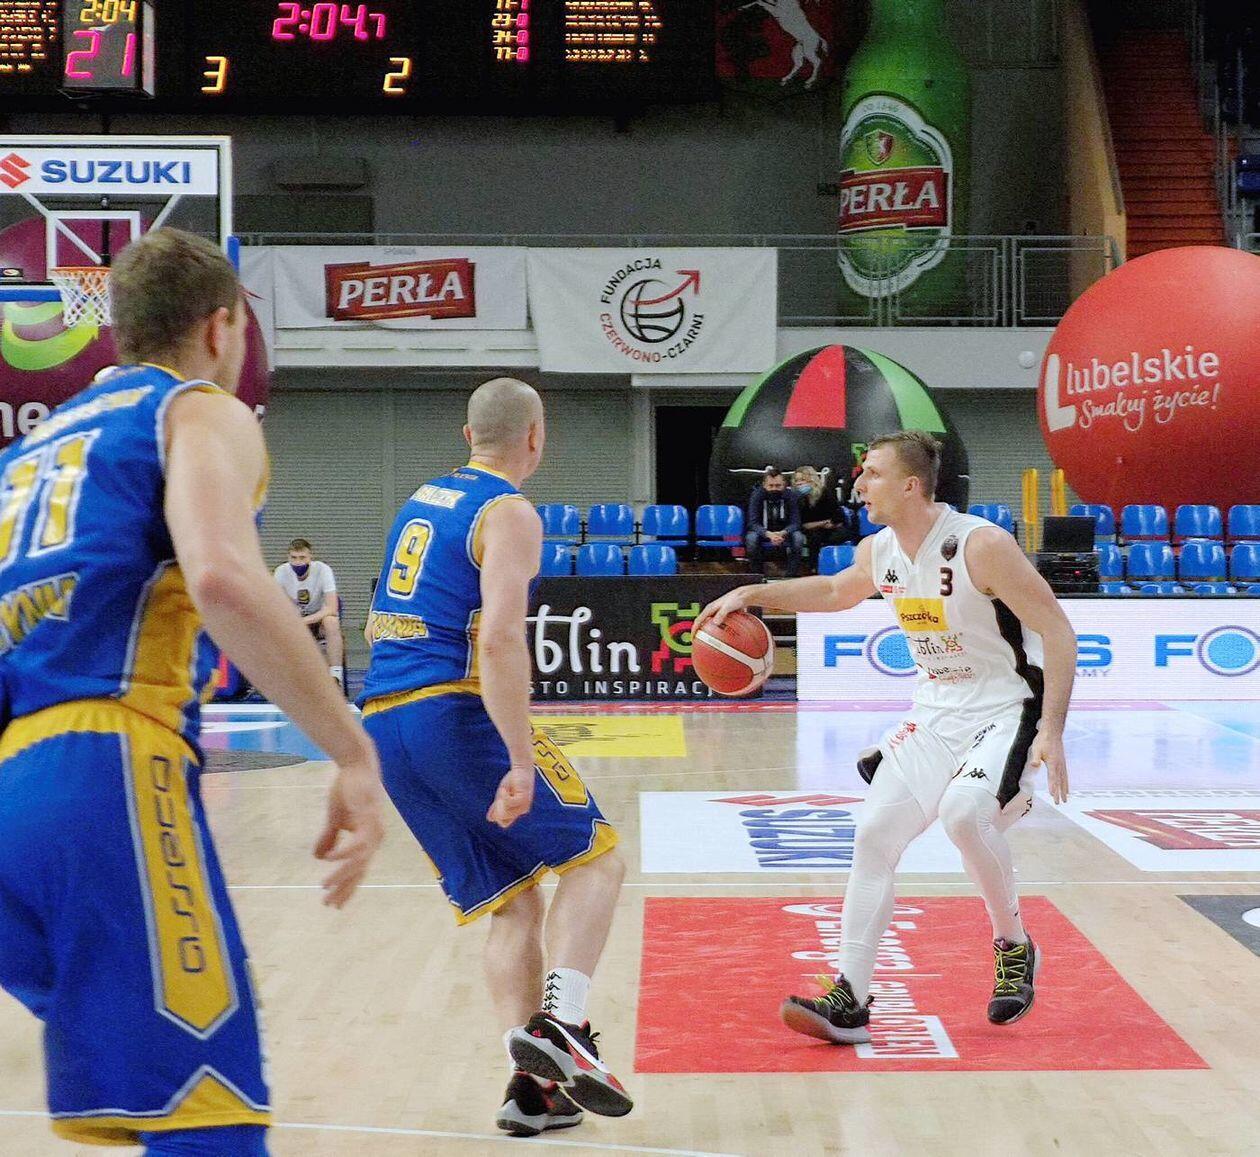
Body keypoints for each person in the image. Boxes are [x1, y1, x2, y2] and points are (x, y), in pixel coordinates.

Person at [0, 228, 386, 1155]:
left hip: (13, 788)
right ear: (221, 328)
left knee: (154, 1099)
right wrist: (351, 748)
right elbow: (220, 576)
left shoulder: (29, 453)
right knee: (210, 1115)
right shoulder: (197, 410)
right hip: (107, 765)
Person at [700, 430, 1075, 1040]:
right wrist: (753, 592)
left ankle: (1013, 944)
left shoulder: (980, 545)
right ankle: (850, 997)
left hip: (1007, 708)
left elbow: (1057, 630)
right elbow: (833, 590)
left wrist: (1052, 730)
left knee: (963, 816)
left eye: (873, 473)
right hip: (934, 712)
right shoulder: (878, 550)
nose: (859, 484)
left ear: (910, 485)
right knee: (874, 836)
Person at [360, 377, 631, 1137]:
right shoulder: (508, 511)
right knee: (598, 860)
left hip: (384, 721)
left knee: (514, 902)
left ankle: (533, 1090)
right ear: (536, 437)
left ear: (466, 434)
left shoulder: (423, 498)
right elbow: (502, 638)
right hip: (452, 709)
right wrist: (518, 755)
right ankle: (564, 1024)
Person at [274, 538, 345, 691]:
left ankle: (335, 675)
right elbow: (276, 606)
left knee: (331, 622)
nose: (298, 562)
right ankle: (286, 676)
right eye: (294, 558)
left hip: (318, 620)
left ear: (310, 557)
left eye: (302, 558)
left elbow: (332, 607)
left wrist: (303, 621)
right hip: (295, 621)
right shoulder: (281, 572)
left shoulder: (323, 570)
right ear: (288, 557)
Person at [745, 467, 806, 576]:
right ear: (764, 485)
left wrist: (782, 533)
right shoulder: (756, 496)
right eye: (771, 486)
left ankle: (791, 574)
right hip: (763, 532)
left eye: (778, 486)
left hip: (785, 532)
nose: (774, 489)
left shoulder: (791, 496)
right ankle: (757, 574)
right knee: (751, 539)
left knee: (798, 538)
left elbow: (796, 522)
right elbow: (753, 523)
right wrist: (768, 534)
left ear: (784, 484)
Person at [793, 465, 857, 566]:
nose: (799, 483)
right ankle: (814, 567)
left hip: (832, 527)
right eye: (796, 480)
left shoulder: (825, 493)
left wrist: (830, 523)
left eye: (802, 480)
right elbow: (802, 524)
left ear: (812, 480)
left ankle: (841, 564)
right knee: (814, 537)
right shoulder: (797, 499)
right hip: (813, 531)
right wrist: (822, 523)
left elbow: (838, 518)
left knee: (843, 534)